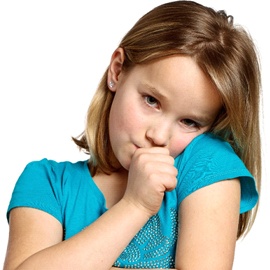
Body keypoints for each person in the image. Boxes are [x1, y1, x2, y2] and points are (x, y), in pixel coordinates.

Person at [4, 1, 261, 269]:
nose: (159, 136)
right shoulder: (47, 182)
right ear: (117, 70)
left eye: (189, 121)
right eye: (151, 100)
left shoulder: (208, 164)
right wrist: (135, 206)